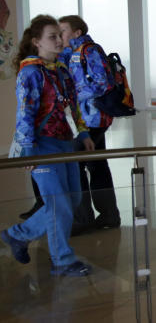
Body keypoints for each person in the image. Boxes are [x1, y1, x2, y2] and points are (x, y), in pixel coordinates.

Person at [1, 14, 94, 276]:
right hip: (42, 146)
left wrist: (83, 133)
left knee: (73, 200)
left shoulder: (61, 69)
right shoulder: (30, 72)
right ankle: (62, 260)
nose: (58, 40)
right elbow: (25, 114)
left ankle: (17, 235)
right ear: (36, 42)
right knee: (59, 204)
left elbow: (71, 106)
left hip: (66, 144)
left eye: (59, 35)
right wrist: (27, 151)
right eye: (51, 36)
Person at [58, 15, 121, 232]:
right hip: (85, 118)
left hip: (93, 118)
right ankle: (108, 215)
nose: (60, 35)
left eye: (63, 30)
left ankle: (83, 219)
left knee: (77, 164)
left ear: (76, 32)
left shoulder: (89, 50)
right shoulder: (71, 53)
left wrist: (73, 95)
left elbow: (103, 83)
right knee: (96, 164)